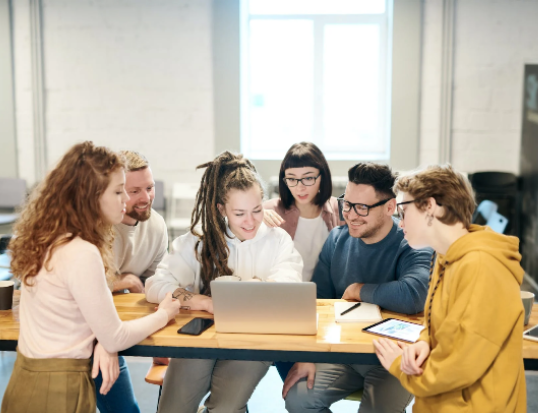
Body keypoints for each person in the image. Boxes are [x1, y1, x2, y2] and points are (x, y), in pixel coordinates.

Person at [1, 142, 180, 413]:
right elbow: (115, 338)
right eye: (120, 191)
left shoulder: (52, 239)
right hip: (59, 388)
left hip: (27, 378)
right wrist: (164, 314)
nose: (126, 200)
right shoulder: (82, 252)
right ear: (92, 196)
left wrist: (105, 340)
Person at [144, 151, 303, 413]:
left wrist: (253, 289)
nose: (250, 221)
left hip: (253, 341)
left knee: (225, 408)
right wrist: (201, 301)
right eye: (239, 213)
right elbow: (156, 284)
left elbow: (290, 285)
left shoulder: (277, 240)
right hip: (201, 338)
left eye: (256, 210)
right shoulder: (198, 241)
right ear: (221, 209)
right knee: (172, 409)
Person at [374, 165, 527, 412]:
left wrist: (398, 367)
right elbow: (441, 325)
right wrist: (425, 342)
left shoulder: (481, 265)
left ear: (429, 206)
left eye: (403, 212)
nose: (400, 224)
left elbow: (463, 364)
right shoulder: (446, 257)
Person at [284, 162, 432, 413]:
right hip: (343, 354)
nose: (350, 214)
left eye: (361, 207)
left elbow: (414, 294)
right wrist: (307, 355)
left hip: (393, 358)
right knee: (298, 400)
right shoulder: (337, 239)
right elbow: (317, 302)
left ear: (389, 207)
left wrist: (358, 290)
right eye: (347, 203)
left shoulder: (412, 241)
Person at [94, 150, 169, 413]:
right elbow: (82, 289)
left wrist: (162, 341)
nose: (146, 197)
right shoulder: (97, 228)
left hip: (120, 323)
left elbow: (158, 284)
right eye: (134, 190)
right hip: (87, 331)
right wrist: (121, 281)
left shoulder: (157, 226)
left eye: (149, 187)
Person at [263, 142, 345, 282]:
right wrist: (255, 215)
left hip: (327, 299)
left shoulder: (342, 209)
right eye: (292, 178)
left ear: (322, 177)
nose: (300, 187)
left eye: (308, 178)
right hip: (283, 296)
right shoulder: (268, 210)